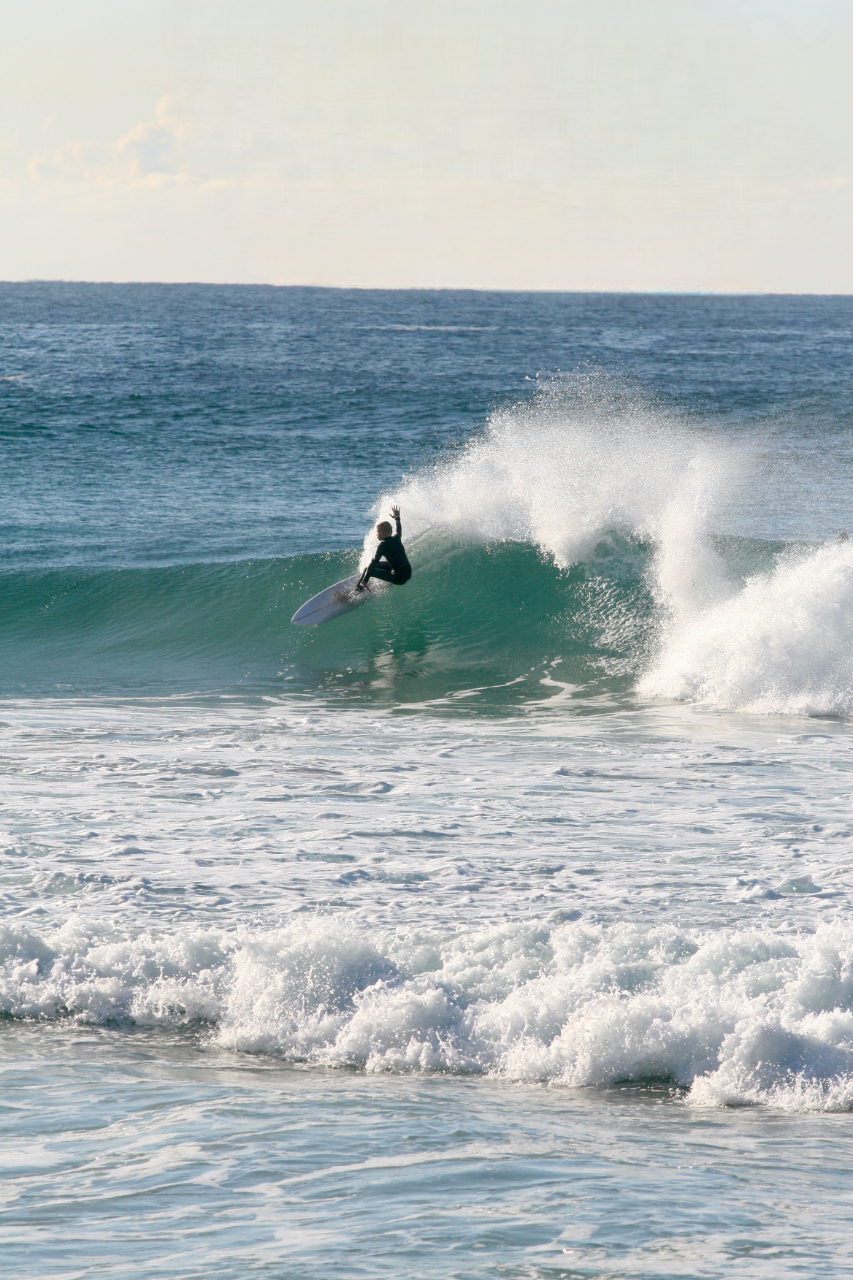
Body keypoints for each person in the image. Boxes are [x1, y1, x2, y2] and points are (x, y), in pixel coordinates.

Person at [357, 505, 412, 590]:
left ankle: (357, 590)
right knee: (386, 566)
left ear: (382, 532)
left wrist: (365, 579)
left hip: (399, 578)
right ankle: (385, 575)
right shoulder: (397, 538)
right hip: (408, 573)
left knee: (368, 568)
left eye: (377, 531)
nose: (376, 534)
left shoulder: (382, 546)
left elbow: (374, 562)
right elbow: (399, 529)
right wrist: (397, 518)